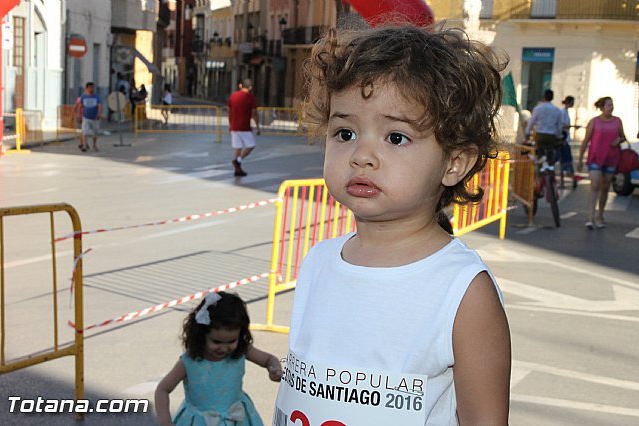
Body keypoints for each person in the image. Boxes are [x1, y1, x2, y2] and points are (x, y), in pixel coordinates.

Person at [274, 25, 511, 425]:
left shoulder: (464, 293)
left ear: (455, 162)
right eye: (345, 132)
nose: (362, 155)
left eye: (396, 137)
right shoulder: (318, 262)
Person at [155, 291, 282, 426]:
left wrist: (274, 369)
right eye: (216, 342)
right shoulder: (188, 362)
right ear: (201, 334)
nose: (224, 348)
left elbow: (269, 359)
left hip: (237, 420)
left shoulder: (241, 350)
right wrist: (165, 421)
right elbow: (162, 390)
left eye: (232, 341)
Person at [577, 96, 628, 229]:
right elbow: (586, 140)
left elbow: (623, 136)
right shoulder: (594, 122)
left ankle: (600, 215)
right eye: (608, 105)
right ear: (602, 107)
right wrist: (580, 159)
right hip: (596, 158)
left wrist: (619, 140)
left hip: (611, 158)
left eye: (612, 105)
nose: (611, 107)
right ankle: (590, 216)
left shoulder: (617, 121)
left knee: (605, 187)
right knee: (594, 186)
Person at [228, 78, 260, 177]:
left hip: (234, 126)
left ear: (240, 86)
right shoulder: (250, 97)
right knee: (251, 146)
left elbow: (229, 112)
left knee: (238, 147)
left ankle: (237, 170)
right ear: (250, 87)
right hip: (244, 127)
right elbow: (254, 113)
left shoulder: (233, 96)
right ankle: (238, 161)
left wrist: (230, 124)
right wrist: (258, 127)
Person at [525, 89, 563, 165]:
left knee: (540, 155)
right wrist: (559, 136)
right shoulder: (557, 110)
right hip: (552, 136)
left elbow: (531, 122)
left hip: (540, 135)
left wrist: (527, 133)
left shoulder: (538, 108)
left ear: (544, 97)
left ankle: (540, 172)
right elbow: (559, 125)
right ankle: (549, 170)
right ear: (552, 98)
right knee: (550, 156)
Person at [71, 82, 103, 152]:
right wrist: (79, 115)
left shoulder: (96, 97)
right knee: (85, 131)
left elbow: (100, 106)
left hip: (95, 118)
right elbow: (80, 106)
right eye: (90, 87)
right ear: (87, 88)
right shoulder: (83, 97)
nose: (92, 89)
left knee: (95, 132)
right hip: (86, 117)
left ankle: (94, 145)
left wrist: (99, 114)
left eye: (93, 87)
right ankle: (85, 145)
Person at [558, 96, 580, 189]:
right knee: (564, 161)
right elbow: (562, 125)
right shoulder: (562, 112)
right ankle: (565, 181)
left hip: (565, 140)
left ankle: (567, 180)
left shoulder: (566, 112)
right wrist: (573, 126)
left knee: (565, 161)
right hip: (563, 140)